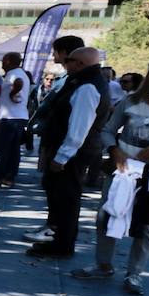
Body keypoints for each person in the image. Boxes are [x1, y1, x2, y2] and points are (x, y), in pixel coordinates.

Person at [71, 55, 149, 294]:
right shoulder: (132, 100)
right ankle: (103, 264)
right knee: (107, 215)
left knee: (147, 224)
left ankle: (135, 274)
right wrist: (114, 149)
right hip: (123, 170)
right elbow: (107, 130)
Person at [27, 47, 111, 259]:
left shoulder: (87, 87)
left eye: (70, 60)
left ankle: (62, 244)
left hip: (73, 153)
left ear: (80, 63)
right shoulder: (83, 82)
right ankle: (59, 240)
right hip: (70, 149)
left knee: (66, 198)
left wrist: (63, 156)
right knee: (60, 196)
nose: (66, 64)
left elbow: (79, 126)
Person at [0, 52, 32, 188]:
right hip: (17, 116)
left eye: (3, 61)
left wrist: (13, 93)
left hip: (11, 117)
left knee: (4, 149)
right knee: (13, 149)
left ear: (8, 61)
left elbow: (18, 83)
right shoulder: (19, 73)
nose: (2, 65)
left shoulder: (15, 74)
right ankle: (9, 176)